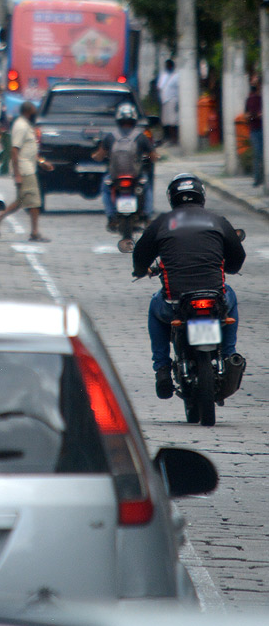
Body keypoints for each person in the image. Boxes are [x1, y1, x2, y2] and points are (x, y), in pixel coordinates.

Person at [132, 173, 246, 399]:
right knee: (230, 297)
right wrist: (230, 268)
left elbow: (140, 254)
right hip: (216, 299)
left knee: (155, 309)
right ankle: (229, 354)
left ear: (172, 198)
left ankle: (162, 369)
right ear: (201, 196)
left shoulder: (162, 223)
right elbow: (237, 256)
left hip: (175, 303)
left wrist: (140, 270)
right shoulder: (217, 220)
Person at [0, 101, 53, 241]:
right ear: (28, 112)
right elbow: (14, 150)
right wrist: (17, 175)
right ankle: (34, 232)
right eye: (33, 111)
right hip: (25, 170)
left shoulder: (26, 125)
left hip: (29, 167)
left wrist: (42, 163)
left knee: (20, 201)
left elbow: (30, 150)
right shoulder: (21, 126)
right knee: (35, 202)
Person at [92, 102, 156, 231]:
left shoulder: (111, 137)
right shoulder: (140, 136)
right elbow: (153, 156)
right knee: (147, 187)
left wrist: (94, 156)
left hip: (115, 176)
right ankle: (148, 217)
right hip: (135, 175)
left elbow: (99, 156)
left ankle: (111, 217)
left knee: (105, 188)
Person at [245, 74, 263, 187]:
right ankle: (257, 179)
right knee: (257, 154)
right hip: (255, 129)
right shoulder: (250, 99)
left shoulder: (263, 98)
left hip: (263, 129)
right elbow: (247, 114)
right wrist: (254, 116)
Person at [157, 58, 179, 144]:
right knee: (166, 121)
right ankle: (167, 138)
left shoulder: (176, 76)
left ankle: (174, 139)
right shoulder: (163, 75)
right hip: (164, 100)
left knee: (173, 121)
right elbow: (159, 86)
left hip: (172, 100)